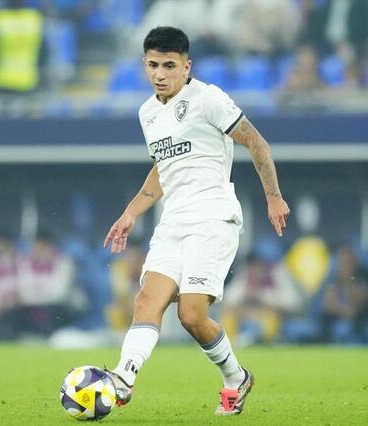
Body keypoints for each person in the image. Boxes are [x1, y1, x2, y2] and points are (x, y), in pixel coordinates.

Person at [102, 27, 290, 416]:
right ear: (144, 65)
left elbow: (257, 142)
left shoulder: (208, 99)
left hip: (213, 216)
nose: (160, 74)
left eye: (169, 66)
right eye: (153, 65)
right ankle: (123, 377)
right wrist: (131, 212)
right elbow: (163, 168)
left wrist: (273, 197)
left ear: (187, 67)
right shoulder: (147, 113)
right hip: (172, 221)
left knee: (191, 315)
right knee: (146, 301)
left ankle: (236, 377)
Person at [320, 245, 368, 343]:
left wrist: (348, 281)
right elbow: (327, 303)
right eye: (342, 262)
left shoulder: (367, 275)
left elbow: (360, 303)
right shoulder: (335, 277)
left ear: (355, 261)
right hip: (347, 317)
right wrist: (343, 310)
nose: (345, 265)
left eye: (348, 262)